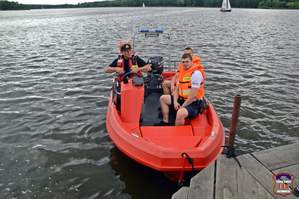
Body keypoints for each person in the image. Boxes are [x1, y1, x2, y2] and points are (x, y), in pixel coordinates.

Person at [159, 53, 205, 126]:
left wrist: (183, 106)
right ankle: (165, 122)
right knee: (163, 98)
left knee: (180, 112)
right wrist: (175, 102)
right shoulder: (182, 72)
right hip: (182, 98)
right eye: (183, 62)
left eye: (187, 62)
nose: (185, 64)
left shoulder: (196, 74)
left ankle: (177, 133)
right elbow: (177, 88)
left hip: (194, 103)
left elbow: (192, 96)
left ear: (191, 62)